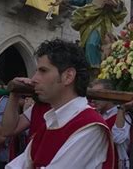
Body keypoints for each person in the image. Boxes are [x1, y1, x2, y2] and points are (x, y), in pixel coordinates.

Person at [6, 39, 115, 168]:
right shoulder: (51, 121)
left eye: (43, 71)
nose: (34, 79)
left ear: (68, 76)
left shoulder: (90, 127)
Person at [54, 0, 127, 69]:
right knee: (85, 47)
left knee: (92, 45)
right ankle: (90, 70)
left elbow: (123, 8)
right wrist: (64, 0)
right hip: (87, 22)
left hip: (101, 24)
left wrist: (115, 5)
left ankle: (95, 70)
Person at [90, 79, 133, 169]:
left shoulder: (123, 115)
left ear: (109, 94)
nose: (93, 100)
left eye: (98, 95)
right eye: (93, 95)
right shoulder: (97, 115)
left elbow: (118, 138)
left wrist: (122, 109)